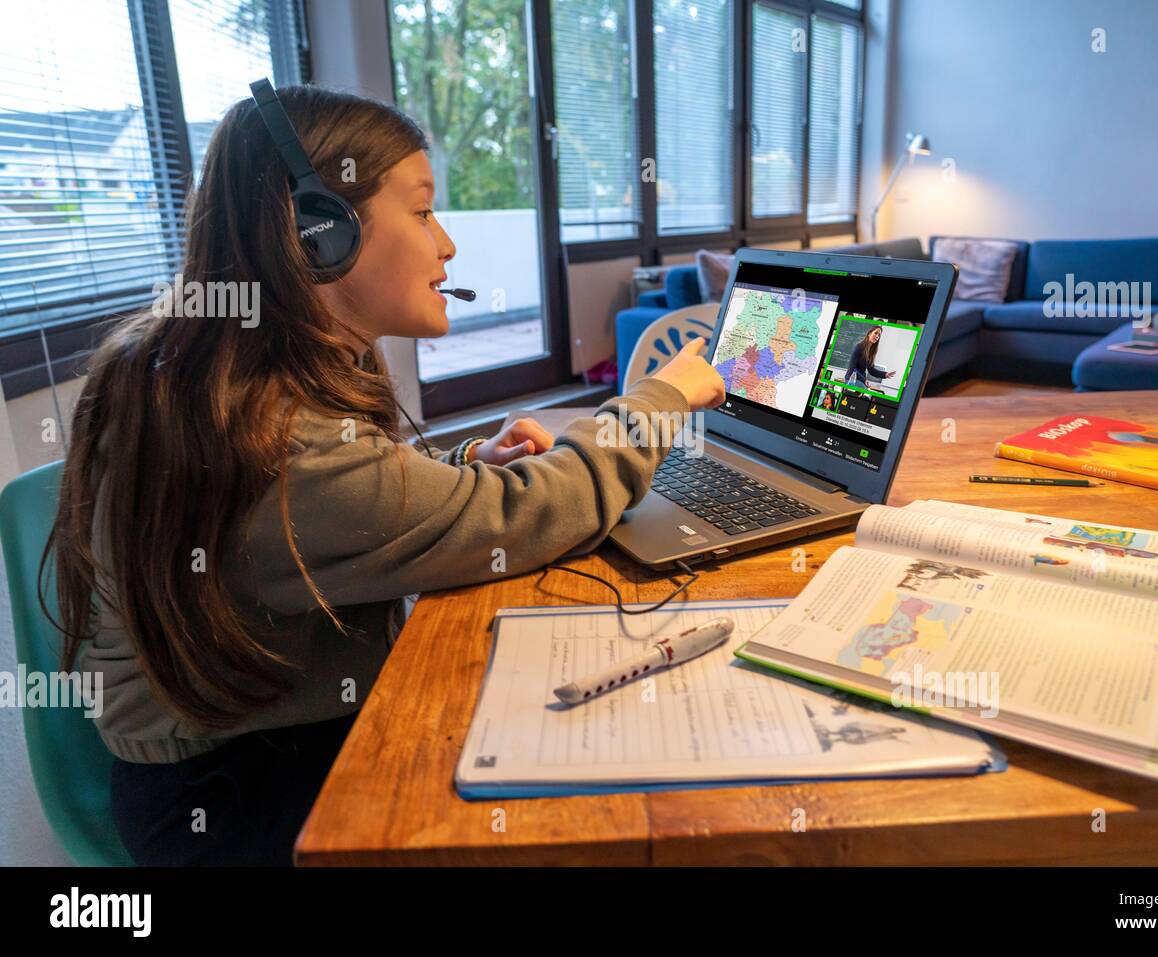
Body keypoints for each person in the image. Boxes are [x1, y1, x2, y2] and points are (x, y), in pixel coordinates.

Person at [45, 85, 725, 866]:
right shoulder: (271, 438)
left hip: (231, 751)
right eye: (424, 211)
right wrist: (660, 399)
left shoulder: (210, 368)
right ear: (319, 234)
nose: (448, 247)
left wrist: (465, 466)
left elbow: (347, 498)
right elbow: (523, 515)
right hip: (240, 796)